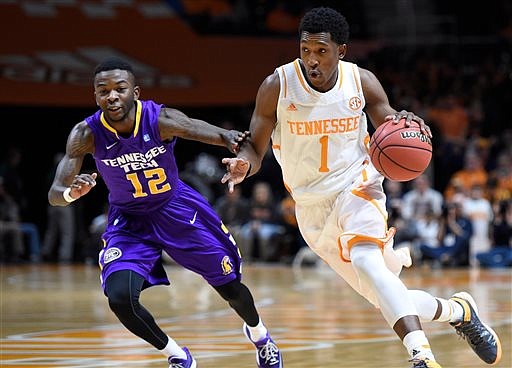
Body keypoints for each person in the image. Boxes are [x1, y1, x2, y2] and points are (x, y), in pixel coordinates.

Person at [222, 7, 501, 368]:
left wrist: (406, 122)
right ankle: (458, 310)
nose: (311, 60)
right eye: (305, 50)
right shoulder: (277, 85)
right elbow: (256, 149)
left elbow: (390, 122)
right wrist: (245, 165)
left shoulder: (361, 81)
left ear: (341, 51)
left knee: (368, 261)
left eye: (321, 51)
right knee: (382, 295)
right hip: (311, 207)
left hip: (359, 186)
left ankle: (422, 356)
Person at [47, 57, 282, 368]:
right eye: (103, 91)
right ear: (95, 96)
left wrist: (230, 140)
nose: (112, 96)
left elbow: (194, 128)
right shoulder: (85, 134)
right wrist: (70, 193)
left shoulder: (159, 119)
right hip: (129, 220)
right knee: (119, 298)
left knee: (230, 288)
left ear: (135, 92)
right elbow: (54, 195)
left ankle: (260, 336)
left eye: (120, 89)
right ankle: (177, 355)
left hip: (175, 209)